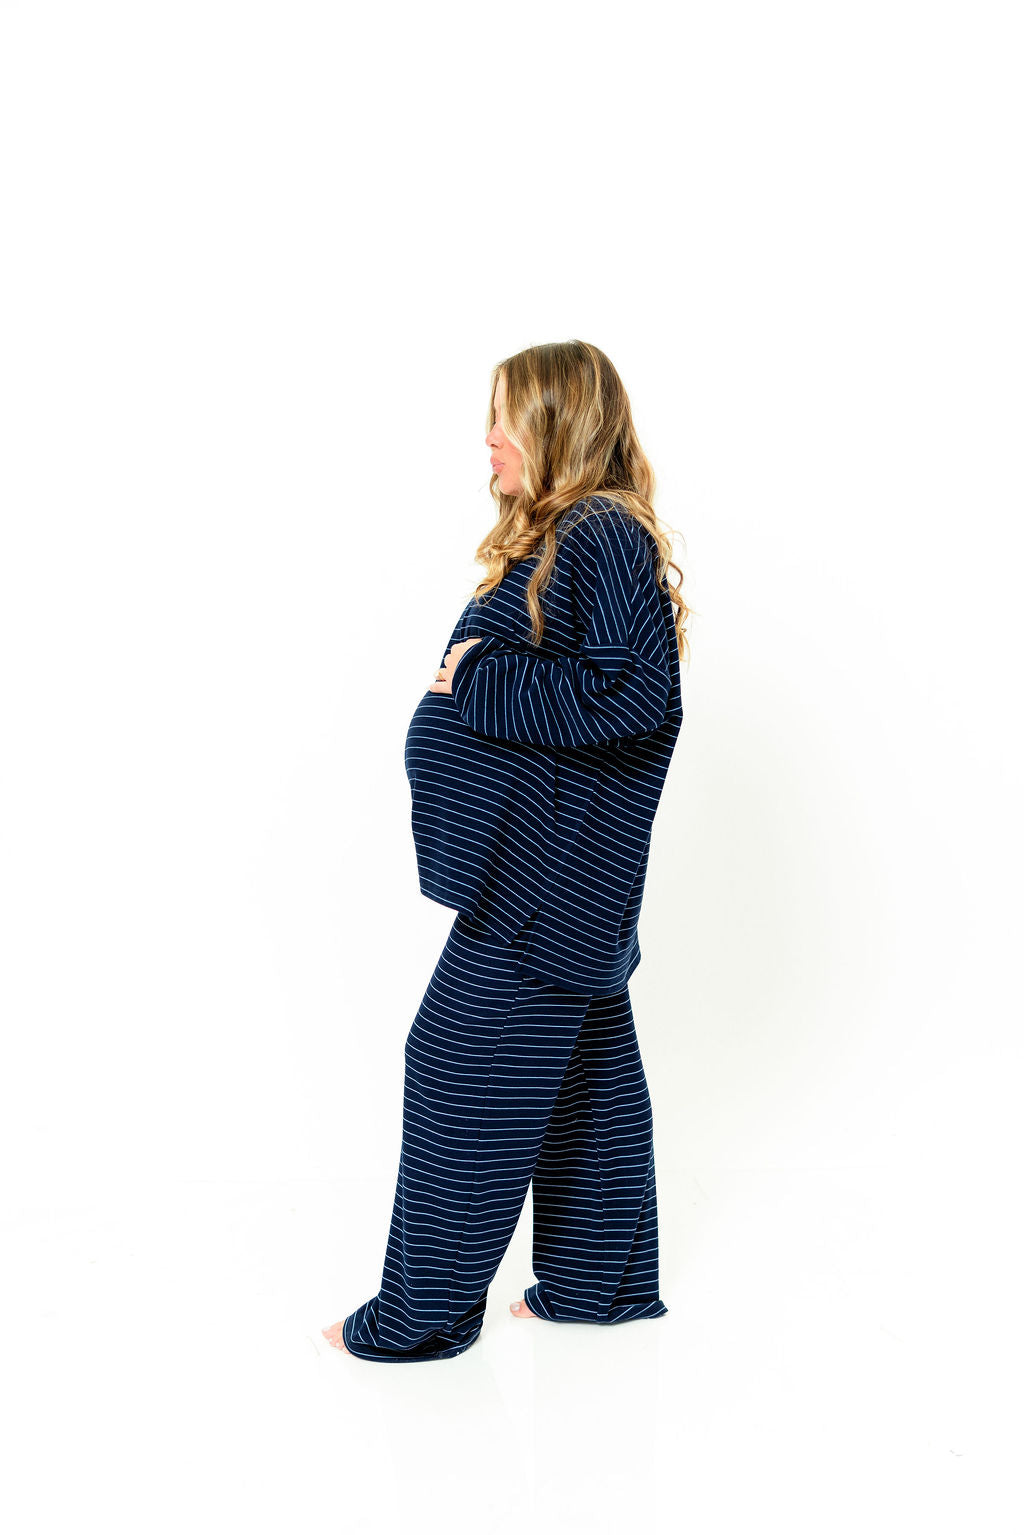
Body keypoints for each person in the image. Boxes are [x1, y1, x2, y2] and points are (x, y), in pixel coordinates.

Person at [323, 339, 690, 1362]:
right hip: (558, 878)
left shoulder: (599, 529)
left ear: (557, 424)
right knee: (584, 1081)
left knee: (455, 1066)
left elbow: (636, 696)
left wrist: (476, 677)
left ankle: (422, 1319)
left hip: (546, 885)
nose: (488, 437)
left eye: (506, 416)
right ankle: (599, 1286)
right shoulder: (574, 533)